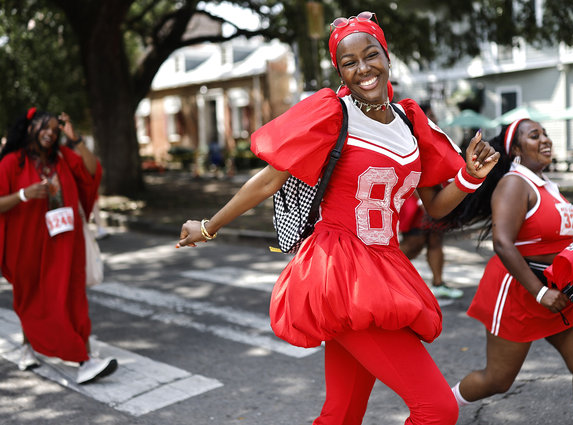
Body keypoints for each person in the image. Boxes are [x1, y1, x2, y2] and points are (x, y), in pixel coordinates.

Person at [178, 11, 499, 425]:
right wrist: (208, 226)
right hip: (340, 272)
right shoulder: (334, 115)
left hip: (384, 265)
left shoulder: (411, 122)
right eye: (349, 62)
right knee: (436, 409)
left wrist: (470, 177)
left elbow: (434, 206)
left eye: (370, 55)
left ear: (387, 56)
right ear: (340, 71)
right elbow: (266, 181)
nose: (363, 68)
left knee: (341, 414)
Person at [446, 118, 573, 425]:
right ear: (515, 149)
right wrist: (539, 293)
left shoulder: (547, 186)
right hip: (520, 290)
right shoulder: (514, 183)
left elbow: (554, 228)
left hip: (561, 288)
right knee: (498, 380)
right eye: (535, 135)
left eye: (546, 133)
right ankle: (437, 407)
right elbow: (503, 242)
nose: (545, 139)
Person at [0, 108, 117, 384]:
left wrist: (75, 140)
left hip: (64, 242)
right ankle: (29, 346)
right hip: (26, 243)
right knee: (30, 297)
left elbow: (92, 171)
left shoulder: (63, 158)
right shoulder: (11, 163)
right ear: (30, 127)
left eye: (55, 129)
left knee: (72, 296)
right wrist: (23, 194)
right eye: (45, 126)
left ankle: (84, 359)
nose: (50, 133)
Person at [399, 103, 462, 299]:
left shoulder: (431, 137)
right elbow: (412, 174)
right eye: (430, 114)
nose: (434, 118)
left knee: (436, 240)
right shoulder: (409, 137)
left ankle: (438, 283)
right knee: (413, 242)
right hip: (415, 202)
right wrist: (423, 203)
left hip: (432, 198)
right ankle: (385, 276)